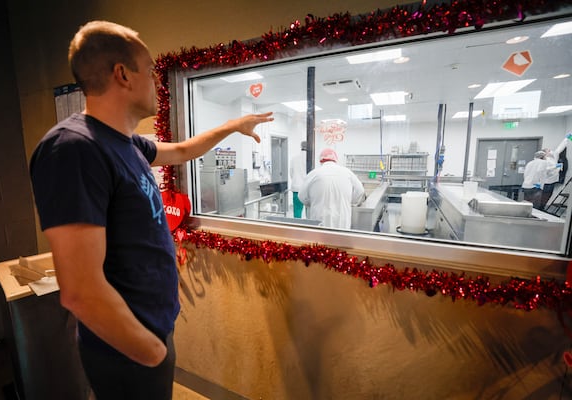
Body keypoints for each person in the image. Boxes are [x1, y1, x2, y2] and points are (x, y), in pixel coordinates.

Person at [29, 20, 273, 400]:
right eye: (153, 70)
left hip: (152, 330)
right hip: (127, 348)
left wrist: (231, 126)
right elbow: (79, 290)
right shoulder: (74, 149)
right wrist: (150, 350)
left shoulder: (128, 143)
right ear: (123, 74)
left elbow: (185, 150)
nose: (159, 81)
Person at [298, 148, 366, 229]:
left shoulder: (314, 174)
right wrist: (350, 202)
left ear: (321, 161)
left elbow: (301, 196)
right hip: (342, 220)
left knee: (319, 240)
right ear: (336, 160)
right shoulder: (347, 172)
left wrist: (312, 203)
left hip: (319, 219)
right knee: (340, 240)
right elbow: (360, 191)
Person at [289, 140, 307, 218]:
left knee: (297, 211)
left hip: (296, 188)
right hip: (308, 189)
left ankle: (297, 228)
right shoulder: (312, 158)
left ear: (301, 147)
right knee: (309, 211)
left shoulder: (294, 158)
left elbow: (291, 173)